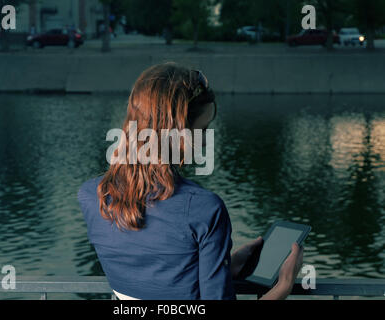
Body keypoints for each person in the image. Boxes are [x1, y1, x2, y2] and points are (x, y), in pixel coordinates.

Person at [78, 62, 304, 300]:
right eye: (203, 130)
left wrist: (223, 263)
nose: (206, 141)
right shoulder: (204, 209)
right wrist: (283, 286)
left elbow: (155, 272)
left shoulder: (92, 195)